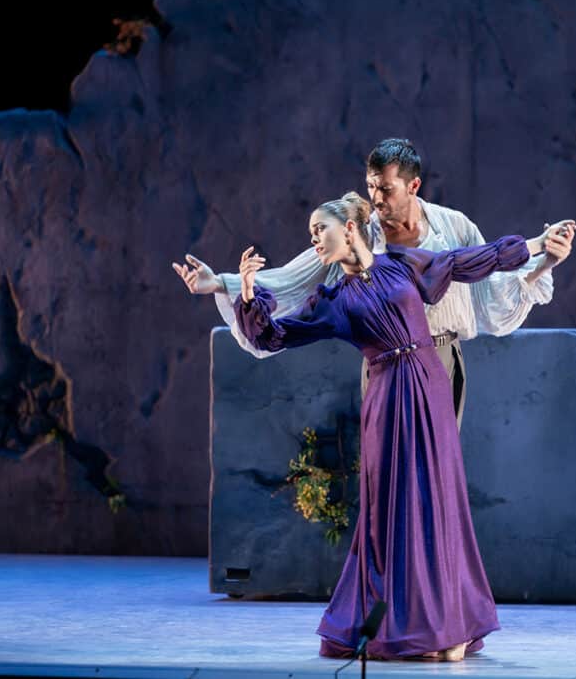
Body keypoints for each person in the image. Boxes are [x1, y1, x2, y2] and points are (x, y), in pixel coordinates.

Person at [232, 192, 555, 660]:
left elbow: (465, 262)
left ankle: (450, 625)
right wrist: (247, 293)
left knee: (438, 501)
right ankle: (412, 626)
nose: (314, 239)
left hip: (430, 383)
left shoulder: (401, 264)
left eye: (319, 229)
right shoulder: (333, 300)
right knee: (393, 508)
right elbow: (275, 334)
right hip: (386, 395)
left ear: (348, 229)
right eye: (311, 234)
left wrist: (536, 243)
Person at [173, 139, 576, 427]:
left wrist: (542, 258)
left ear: (413, 185)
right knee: (386, 475)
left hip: (440, 358)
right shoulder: (359, 236)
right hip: (385, 366)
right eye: (371, 186)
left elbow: (485, 273)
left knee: (437, 473)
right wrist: (220, 283)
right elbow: (295, 275)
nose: (376, 197)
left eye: (385, 188)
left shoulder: (452, 227)